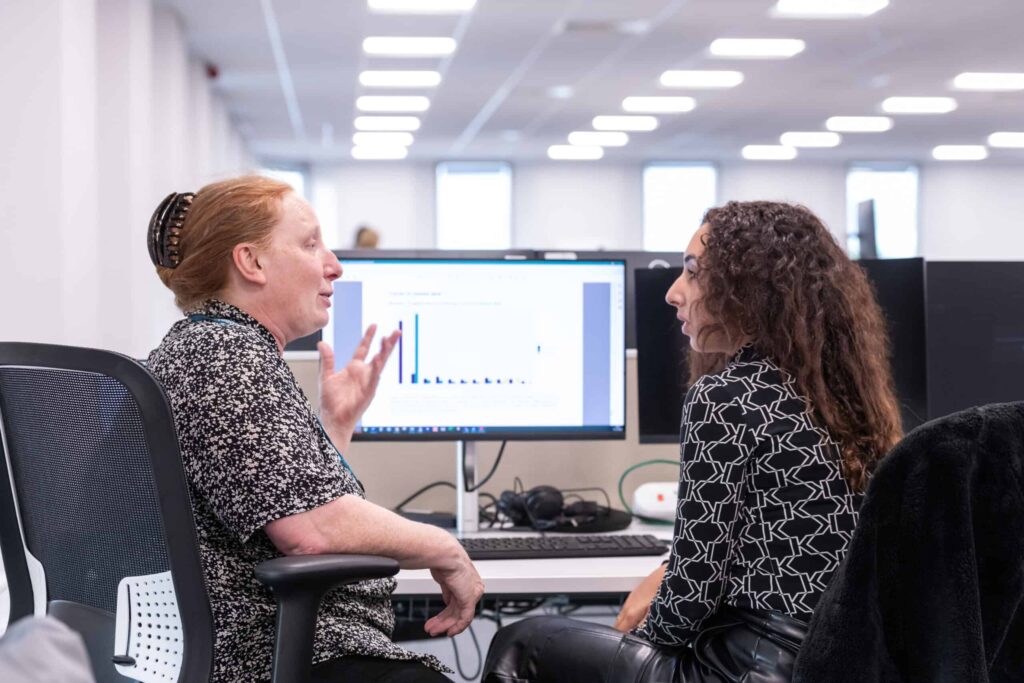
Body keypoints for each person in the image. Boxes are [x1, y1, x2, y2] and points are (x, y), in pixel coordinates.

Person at [482, 201, 903, 683]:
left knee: (520, 642)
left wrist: (634, 647)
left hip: (741, 668)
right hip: (831, 664)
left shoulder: (726, 397)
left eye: (693, 273)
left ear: (749, 291)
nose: (673, 293)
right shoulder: (844, 398)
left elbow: (692, 590)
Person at [146, 175, 483, 682]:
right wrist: (447, 549)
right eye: (310, 244)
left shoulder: (211, 347)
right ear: (251, 262)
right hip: (272, 650)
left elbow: (277, 499)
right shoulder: (225, 357)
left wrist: (335, 426)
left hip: (271, 640)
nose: (335, 265)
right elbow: (310, 532)